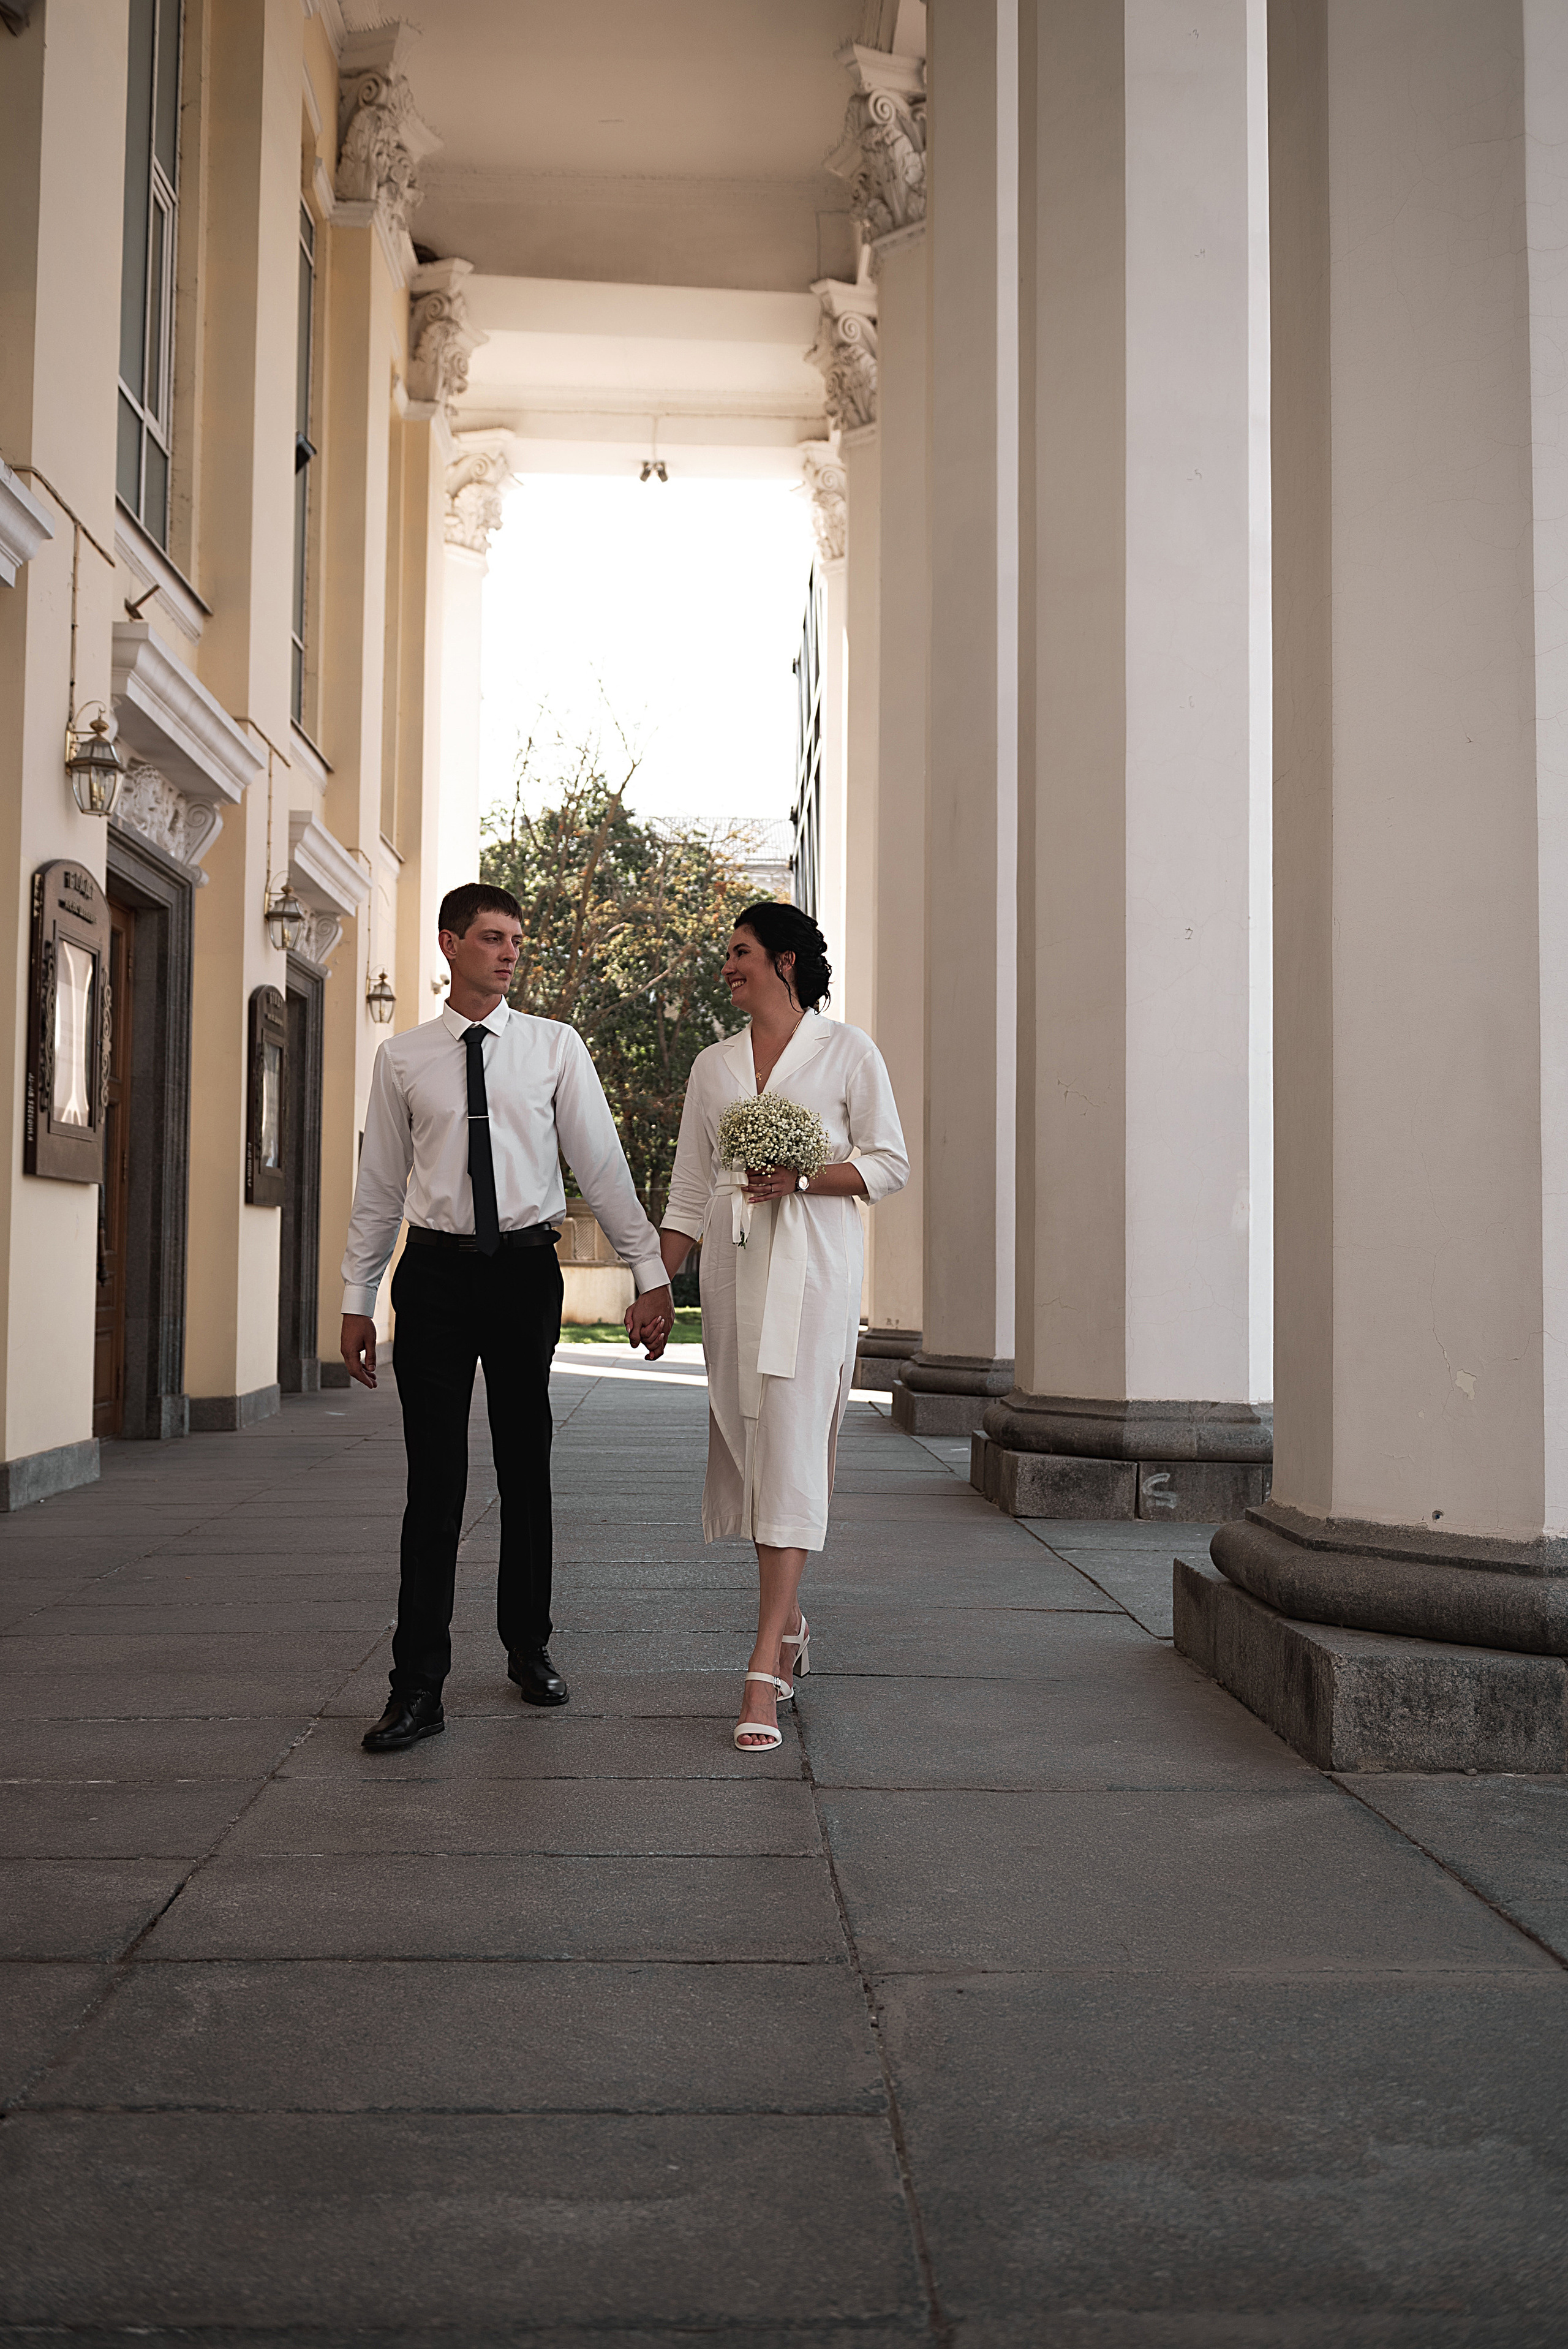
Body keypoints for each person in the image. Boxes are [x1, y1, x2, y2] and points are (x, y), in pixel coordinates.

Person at [341, 882, 674, 1753]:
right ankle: (417, 1687)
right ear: (450, 945)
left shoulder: (553, 1048)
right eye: (492, 937)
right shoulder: (403, 1058)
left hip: (526, 1271)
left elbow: (601, 1167)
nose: (509, 951)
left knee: (527, 1468)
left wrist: (650, 1273)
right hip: (436, 1280)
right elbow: (378, 1190)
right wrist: (355, 1299)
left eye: (516, 939)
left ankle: (529, 1647)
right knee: (434, 1485)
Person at [650, 904, 908, 1752]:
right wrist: (656, 1285)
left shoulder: (847, 1050)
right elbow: (691, 1189)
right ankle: (791, 1623)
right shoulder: (713, 1066)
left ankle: (762, 1667)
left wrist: (803, 1178)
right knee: (755, 1443)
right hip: (732, 1276)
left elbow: (888, 1164)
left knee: (794, 1445)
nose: (728, 967)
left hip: (814, 1271)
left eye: (740, 953)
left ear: (785, 962)